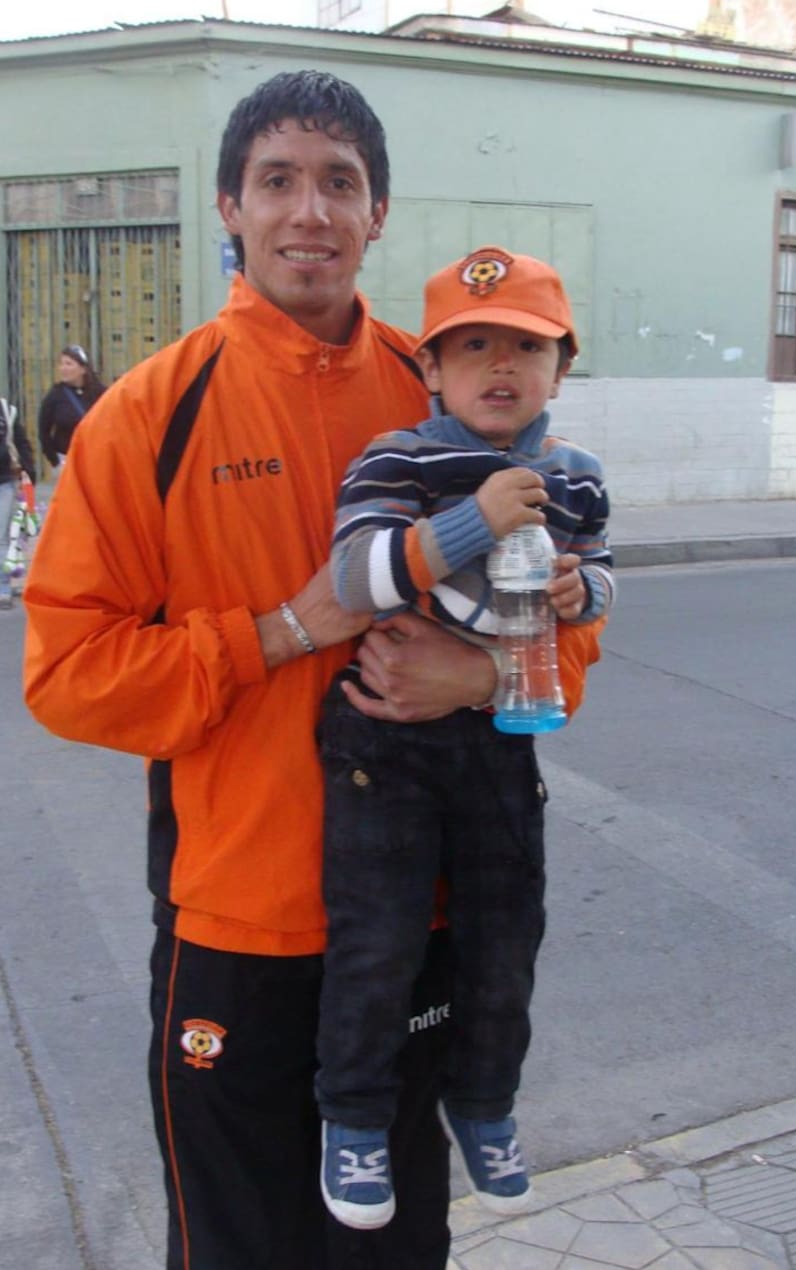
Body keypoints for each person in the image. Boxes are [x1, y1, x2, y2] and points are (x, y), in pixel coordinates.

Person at [22, 71, 602, 1270]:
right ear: (230, 205)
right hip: (242, 920)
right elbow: (68, 672)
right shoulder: (148, 415)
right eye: (278, 180)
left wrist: (483, 682)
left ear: (377, 212)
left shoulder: (444, 388)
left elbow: (565, 605)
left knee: (395, 1247)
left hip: (420, 908)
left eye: (339, 183)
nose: (310, 212)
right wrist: (278, 629)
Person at [316, 246, 612, 1230]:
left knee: (505, 935)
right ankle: (352, 1118)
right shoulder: (399, 458)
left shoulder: (574, 476)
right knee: (378, 938)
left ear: (559, 369)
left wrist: (579, 590)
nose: (499, 366)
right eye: (471, 345)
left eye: (525, 347)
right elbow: (355, 579)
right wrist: (471, 522)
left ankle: (482, 1101)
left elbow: (603, 579)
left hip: (497, 744)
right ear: (428, 370)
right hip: (385, 750)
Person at [37, 343, 106, 472]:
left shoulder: (100, 393)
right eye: (62, 364)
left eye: (69, 364)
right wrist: (55, 460)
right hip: (66, 461)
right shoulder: (55, 395)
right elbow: (43, 431)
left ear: (83, 369)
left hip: (96, 459)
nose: (63, 368)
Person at [0, 396, 37, 608]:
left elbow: (22, 442)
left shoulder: (6, 409)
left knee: (2, 537)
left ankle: (3, 587)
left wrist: (28, 471)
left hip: (4, 480)